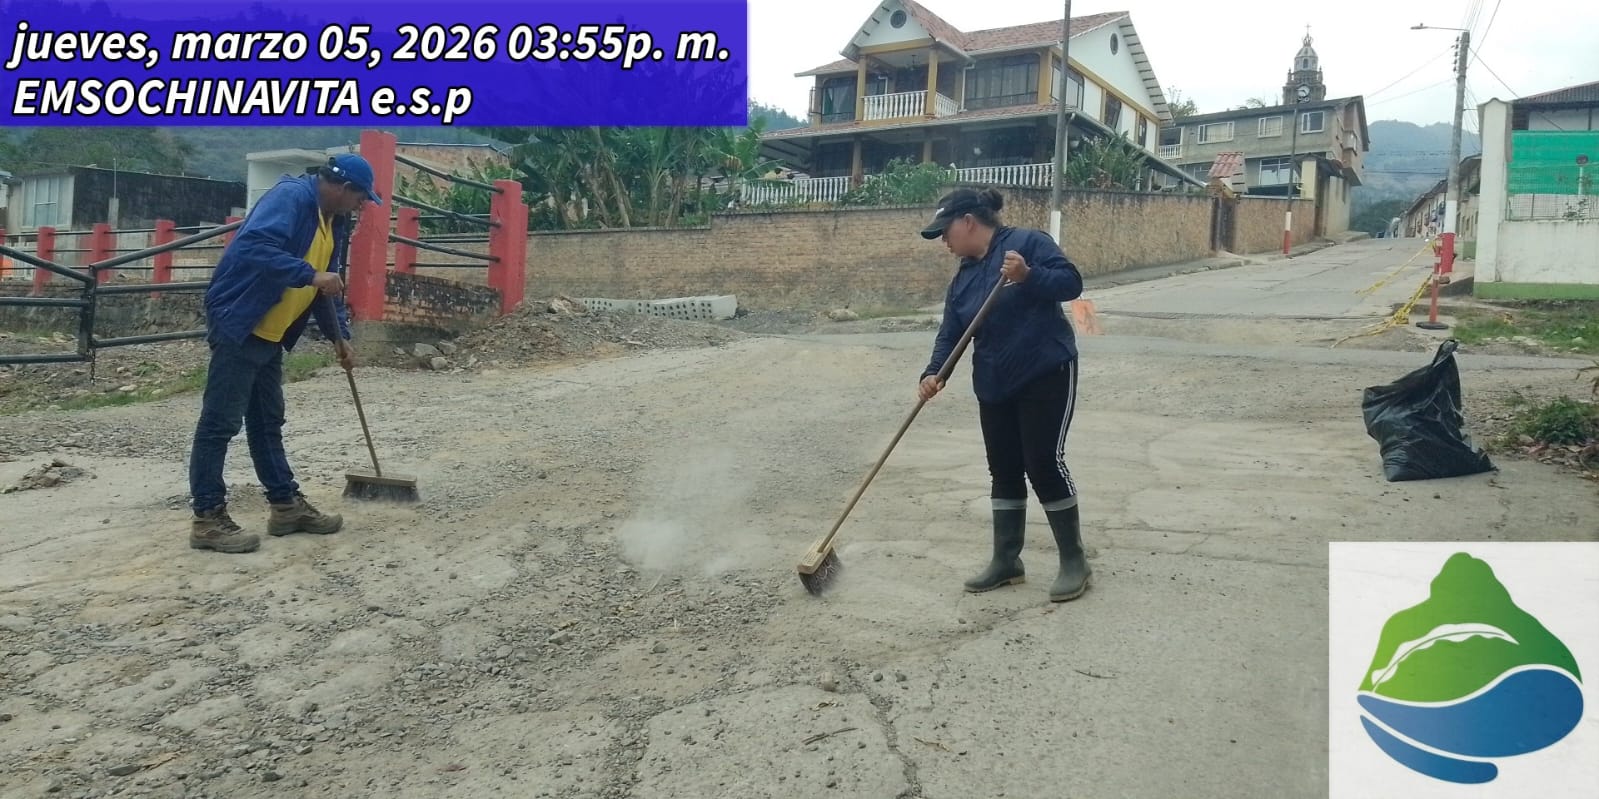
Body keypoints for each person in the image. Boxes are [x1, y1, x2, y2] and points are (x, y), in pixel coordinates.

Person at [187, 153, 381, 553]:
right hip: (241, 321)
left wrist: (339, 337)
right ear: (344, 188)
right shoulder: (290, 198)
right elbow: (253, 247)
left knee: (267, 422)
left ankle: (285, 505)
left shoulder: (334, 220)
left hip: (271, 332)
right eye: (361, 197)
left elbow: (328, 286)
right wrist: (310, 275)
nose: (362, 205)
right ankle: (207, 519)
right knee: (220, 423)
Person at [916, 187, 1090, 601]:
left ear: (968, 222)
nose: (944, 242)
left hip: (1045, 370)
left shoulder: (1027, 244)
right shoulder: (963, 279)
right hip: (994, 381)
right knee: (1004, 469)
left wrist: (1029, 276)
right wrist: (934, 372)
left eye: (945, 232)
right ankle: (1007, 560)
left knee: (1043, 463)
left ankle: (1074, 561)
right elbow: (951, 333)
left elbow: (1071, 283)